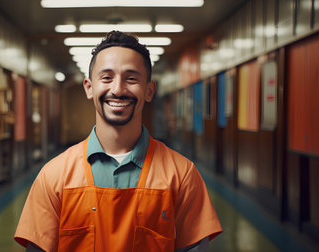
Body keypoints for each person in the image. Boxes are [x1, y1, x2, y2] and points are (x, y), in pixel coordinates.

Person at [14, 31, 222, 252]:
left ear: (149, 90)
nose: (118, 89)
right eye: (106, 77)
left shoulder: (181, 175)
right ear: (89, 87)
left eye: (131, 78)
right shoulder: (53, 176)